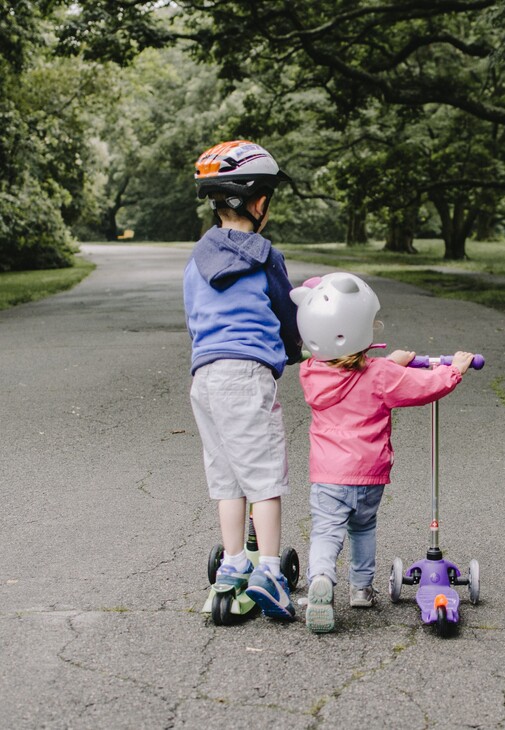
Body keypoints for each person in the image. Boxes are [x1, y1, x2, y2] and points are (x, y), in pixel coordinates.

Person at [290, 272, 474, 633]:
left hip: (328, 474)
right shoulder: (380, 375)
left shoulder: (312, 373)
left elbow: (351, 370)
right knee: (363, 528)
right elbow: (422, 386)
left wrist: (391, 361)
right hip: (369, 474)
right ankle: (360, 589)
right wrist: (454, 370)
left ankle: (321, 580)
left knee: (327, 532)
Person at [184, 140, 302, 620]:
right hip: (246, 375)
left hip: (205, 377)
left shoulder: (196, 259)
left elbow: (194, 317)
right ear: (258, 204)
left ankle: (232, 564)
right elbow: (287, 311)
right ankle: (270, 571)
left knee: (227, 477)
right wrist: (296, 351)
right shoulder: (264, 255)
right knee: (264, 477)